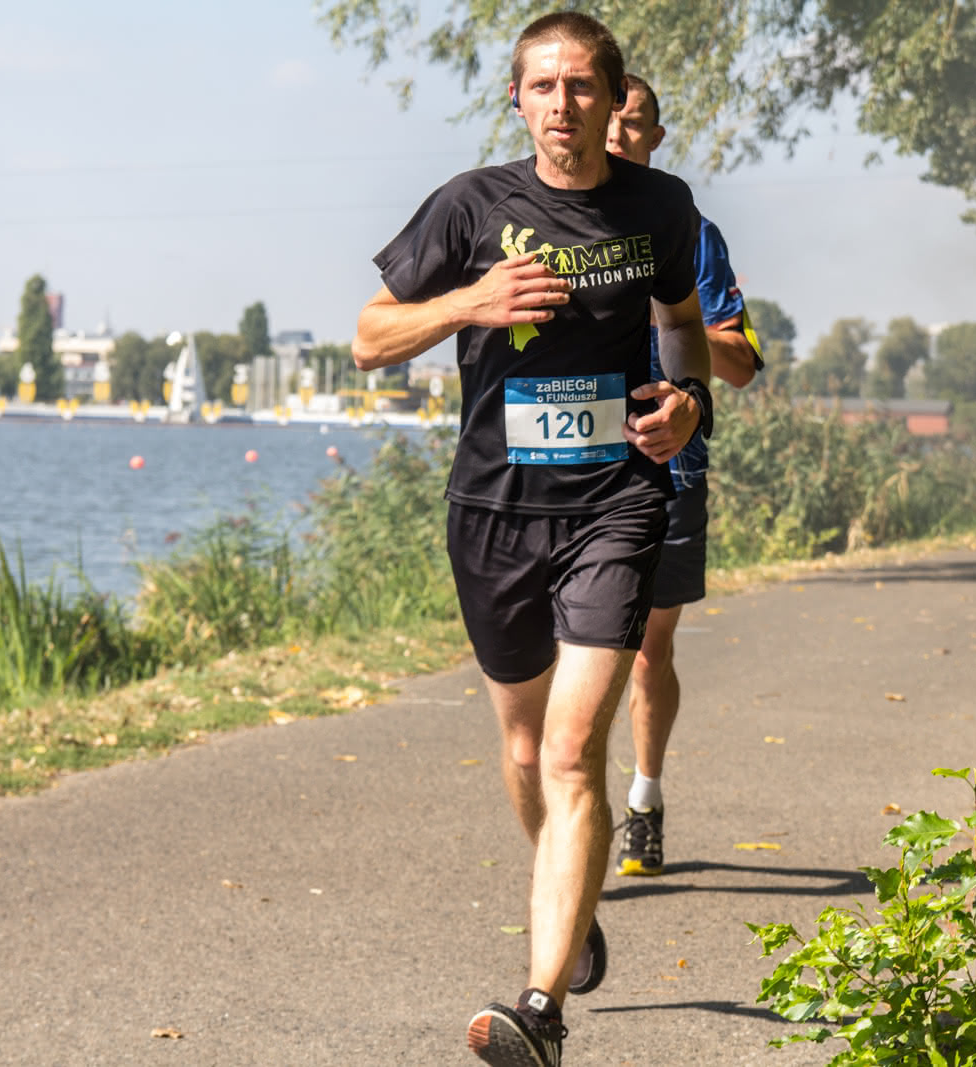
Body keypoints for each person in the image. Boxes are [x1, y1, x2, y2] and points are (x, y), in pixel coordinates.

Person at [352, 14, 713, 1066]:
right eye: (542, 87)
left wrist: (688, 401)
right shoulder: (468, 206)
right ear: (516, 100)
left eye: (581, 86)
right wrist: (471, 300)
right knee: (522, 749)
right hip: (494, 511)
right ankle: (574, 894)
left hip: (616, 502)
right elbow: (369, 337)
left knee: (569, 748)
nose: (562, 104)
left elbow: (682, 323)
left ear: (613, 99)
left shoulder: (660, 207)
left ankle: (540, 1009)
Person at [605, 75, 765, 878]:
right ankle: (576, 814)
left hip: (673, 466)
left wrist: (669, 310)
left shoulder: (691, 233)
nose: (615, 135)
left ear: (654, 138)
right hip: (577, 467)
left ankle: (644, 797)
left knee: (646, 650)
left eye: (633, 124)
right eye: (608, 119)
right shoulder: (545, 223)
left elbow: (741, 362)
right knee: (575, 653)